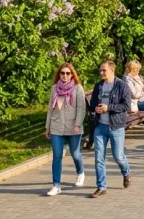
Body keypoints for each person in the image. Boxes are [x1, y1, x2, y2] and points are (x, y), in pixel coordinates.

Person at [89, 61, 132, 197]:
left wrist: (109, 107)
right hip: (100, 127)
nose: (101, 73)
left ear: (112, 70)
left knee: (118, 156)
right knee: (99, 158)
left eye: (104, 71)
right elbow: (93, 103)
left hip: (116, 127)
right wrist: (95, 108)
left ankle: (126, 172)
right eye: (100, 70)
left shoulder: (121, 86)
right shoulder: (98, 86)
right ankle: (101, 187)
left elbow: (126, 106)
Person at [44, 62, 86, 196]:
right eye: (62, 73)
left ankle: (80, 172)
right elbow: (50, 109)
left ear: (72, 74)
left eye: (68, 73)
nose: (65, 76)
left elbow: (81, 108)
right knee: (57, 155)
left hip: (72, 126)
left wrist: (78, 125)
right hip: (56, 126)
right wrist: (47, 127)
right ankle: (56, 185)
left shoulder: (78, 88)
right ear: (59, 74)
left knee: (75, 153)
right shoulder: (54, 88)